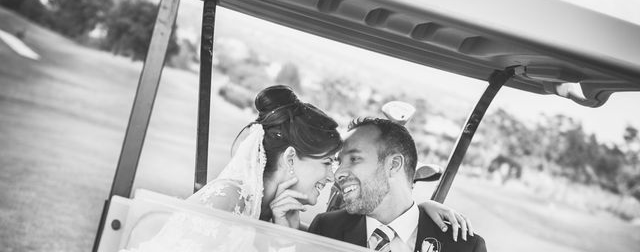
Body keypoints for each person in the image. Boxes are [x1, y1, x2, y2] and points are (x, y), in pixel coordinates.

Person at [127, 86, 472, 250]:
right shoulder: (232, 201)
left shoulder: (458, 244)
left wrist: (418, 210)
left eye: (350, 160)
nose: (334, 174)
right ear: (291, 158)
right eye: (329, 162)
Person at [308, 117, 487, 252]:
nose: (338, 173)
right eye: (339, 162)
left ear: (394, 165)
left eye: (354, 159)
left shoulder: (465, 248)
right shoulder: (326, 228)